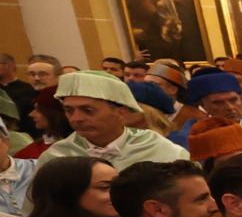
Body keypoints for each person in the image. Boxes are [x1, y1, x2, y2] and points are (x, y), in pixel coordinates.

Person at [39, 72, 187, 168]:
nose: (76, 118)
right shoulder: (56, 157)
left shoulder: (161, 151)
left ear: (121, 113)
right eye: (69, 110)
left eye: (88, 110)